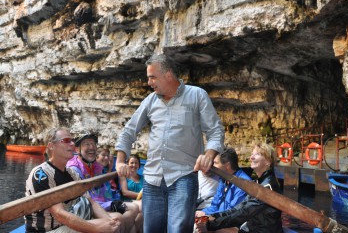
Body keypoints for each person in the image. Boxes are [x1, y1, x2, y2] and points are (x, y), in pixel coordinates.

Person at [115, 54, 225, 233]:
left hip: (183, 177)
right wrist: (120, 160)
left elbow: (215, 131)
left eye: (152, 77)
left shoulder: (197, 95)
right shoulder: (150, 101)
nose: (149, 82)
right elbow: (128, 131)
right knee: (151, 230)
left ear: (168, 75)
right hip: (152, 180)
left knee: (178, 230)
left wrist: (209, 155)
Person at [25, 127, 122, 233]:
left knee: (114, 224)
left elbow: (91, 202)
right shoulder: (41, 174)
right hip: (46, 231)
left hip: (63, 225)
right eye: (66, 140)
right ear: (51, 146)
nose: (72, 143)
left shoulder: (72, 174)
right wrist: (97, 228)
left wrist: (109, 220)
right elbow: (59, 214)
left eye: (72, 141)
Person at [195, 140, 283, 233]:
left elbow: (244, 213)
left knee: (209, 230)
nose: (251, 157)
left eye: (257, 154)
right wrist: (214, 216)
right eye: (252, 154)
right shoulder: (258, 183)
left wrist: (211, 225)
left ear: (268, 161)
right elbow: (238, 208)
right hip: (251, 228)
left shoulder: (267, 187)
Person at [67, 132, 140, 233]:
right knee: (120, 217)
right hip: (87, 209)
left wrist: (112, 203)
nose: (91, 147)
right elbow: (85, 199)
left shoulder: (96, 167)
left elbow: (103, 193)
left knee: (136, 209)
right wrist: (110, 205)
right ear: (76, 149)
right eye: (87, 144)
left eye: (93, 144)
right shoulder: (74, 169)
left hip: (102, 203)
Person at [196, 148, 251, 217]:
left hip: (231, 222)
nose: (211, 166)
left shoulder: (243, 182)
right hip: (219, 218)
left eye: (215, 163)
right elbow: (215, 205)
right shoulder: (223, 179)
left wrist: (210, 215)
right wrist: (202, 212)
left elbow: (233, 211)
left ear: (227, 165)